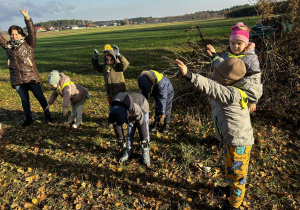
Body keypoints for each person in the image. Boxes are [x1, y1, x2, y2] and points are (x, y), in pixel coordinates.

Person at [176, 57, 262, 210]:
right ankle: (230, 189)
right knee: (231, 168)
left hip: (239, 143)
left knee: (238, 176)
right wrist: (214, 57)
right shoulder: (234, 83)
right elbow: (226, 69)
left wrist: (190, 75)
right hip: (231, 139)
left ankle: (234, 204)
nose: (214, 78)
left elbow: (211, 87)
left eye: (218, 76)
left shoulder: (231, 94)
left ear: (226, 80)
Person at [0, 9, 52, 127]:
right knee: (24, 100)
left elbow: (32, 32)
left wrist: (27, 18)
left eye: (16, 34)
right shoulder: (8, 46)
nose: (13, 36)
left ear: (21, 34)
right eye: (11, 34)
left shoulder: (29, 44)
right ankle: (28, 118)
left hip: (31, 76)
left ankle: (47, 114)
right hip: (17, 78)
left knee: (40, 97)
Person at [206, 22, 262, 113]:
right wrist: (211, 92)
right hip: (224, 95)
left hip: (241, 98)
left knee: (237, 120)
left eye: (239, 43)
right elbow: (218, 74)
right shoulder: (225, 56)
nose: (235, 46)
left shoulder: (250, 59)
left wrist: (253, 101)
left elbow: (254, 81)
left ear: (246, 44)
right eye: (233, 43)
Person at [108, 92, 150, 165]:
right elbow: (116, 123)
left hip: (142, 105)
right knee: (130, 130)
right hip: (129, 108)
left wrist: (144, 139)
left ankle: (145, 151)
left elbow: (141, 124)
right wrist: (120, 138)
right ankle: (128, 150)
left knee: (145, 132)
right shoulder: (114, 109)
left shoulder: (136, 109)